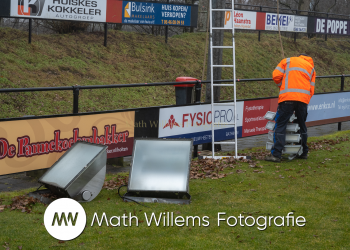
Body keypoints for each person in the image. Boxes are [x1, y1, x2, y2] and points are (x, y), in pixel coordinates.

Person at [265, 54, 316, 162]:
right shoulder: (311, 68)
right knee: (301, 125)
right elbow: (311, 90)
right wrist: (304, 99)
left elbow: (276, 76)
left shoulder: (287, 61)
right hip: (303, 100)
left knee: (280, 125)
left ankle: (276, 154)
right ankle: (303, 152)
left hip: (287, 98)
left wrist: (281, 86)